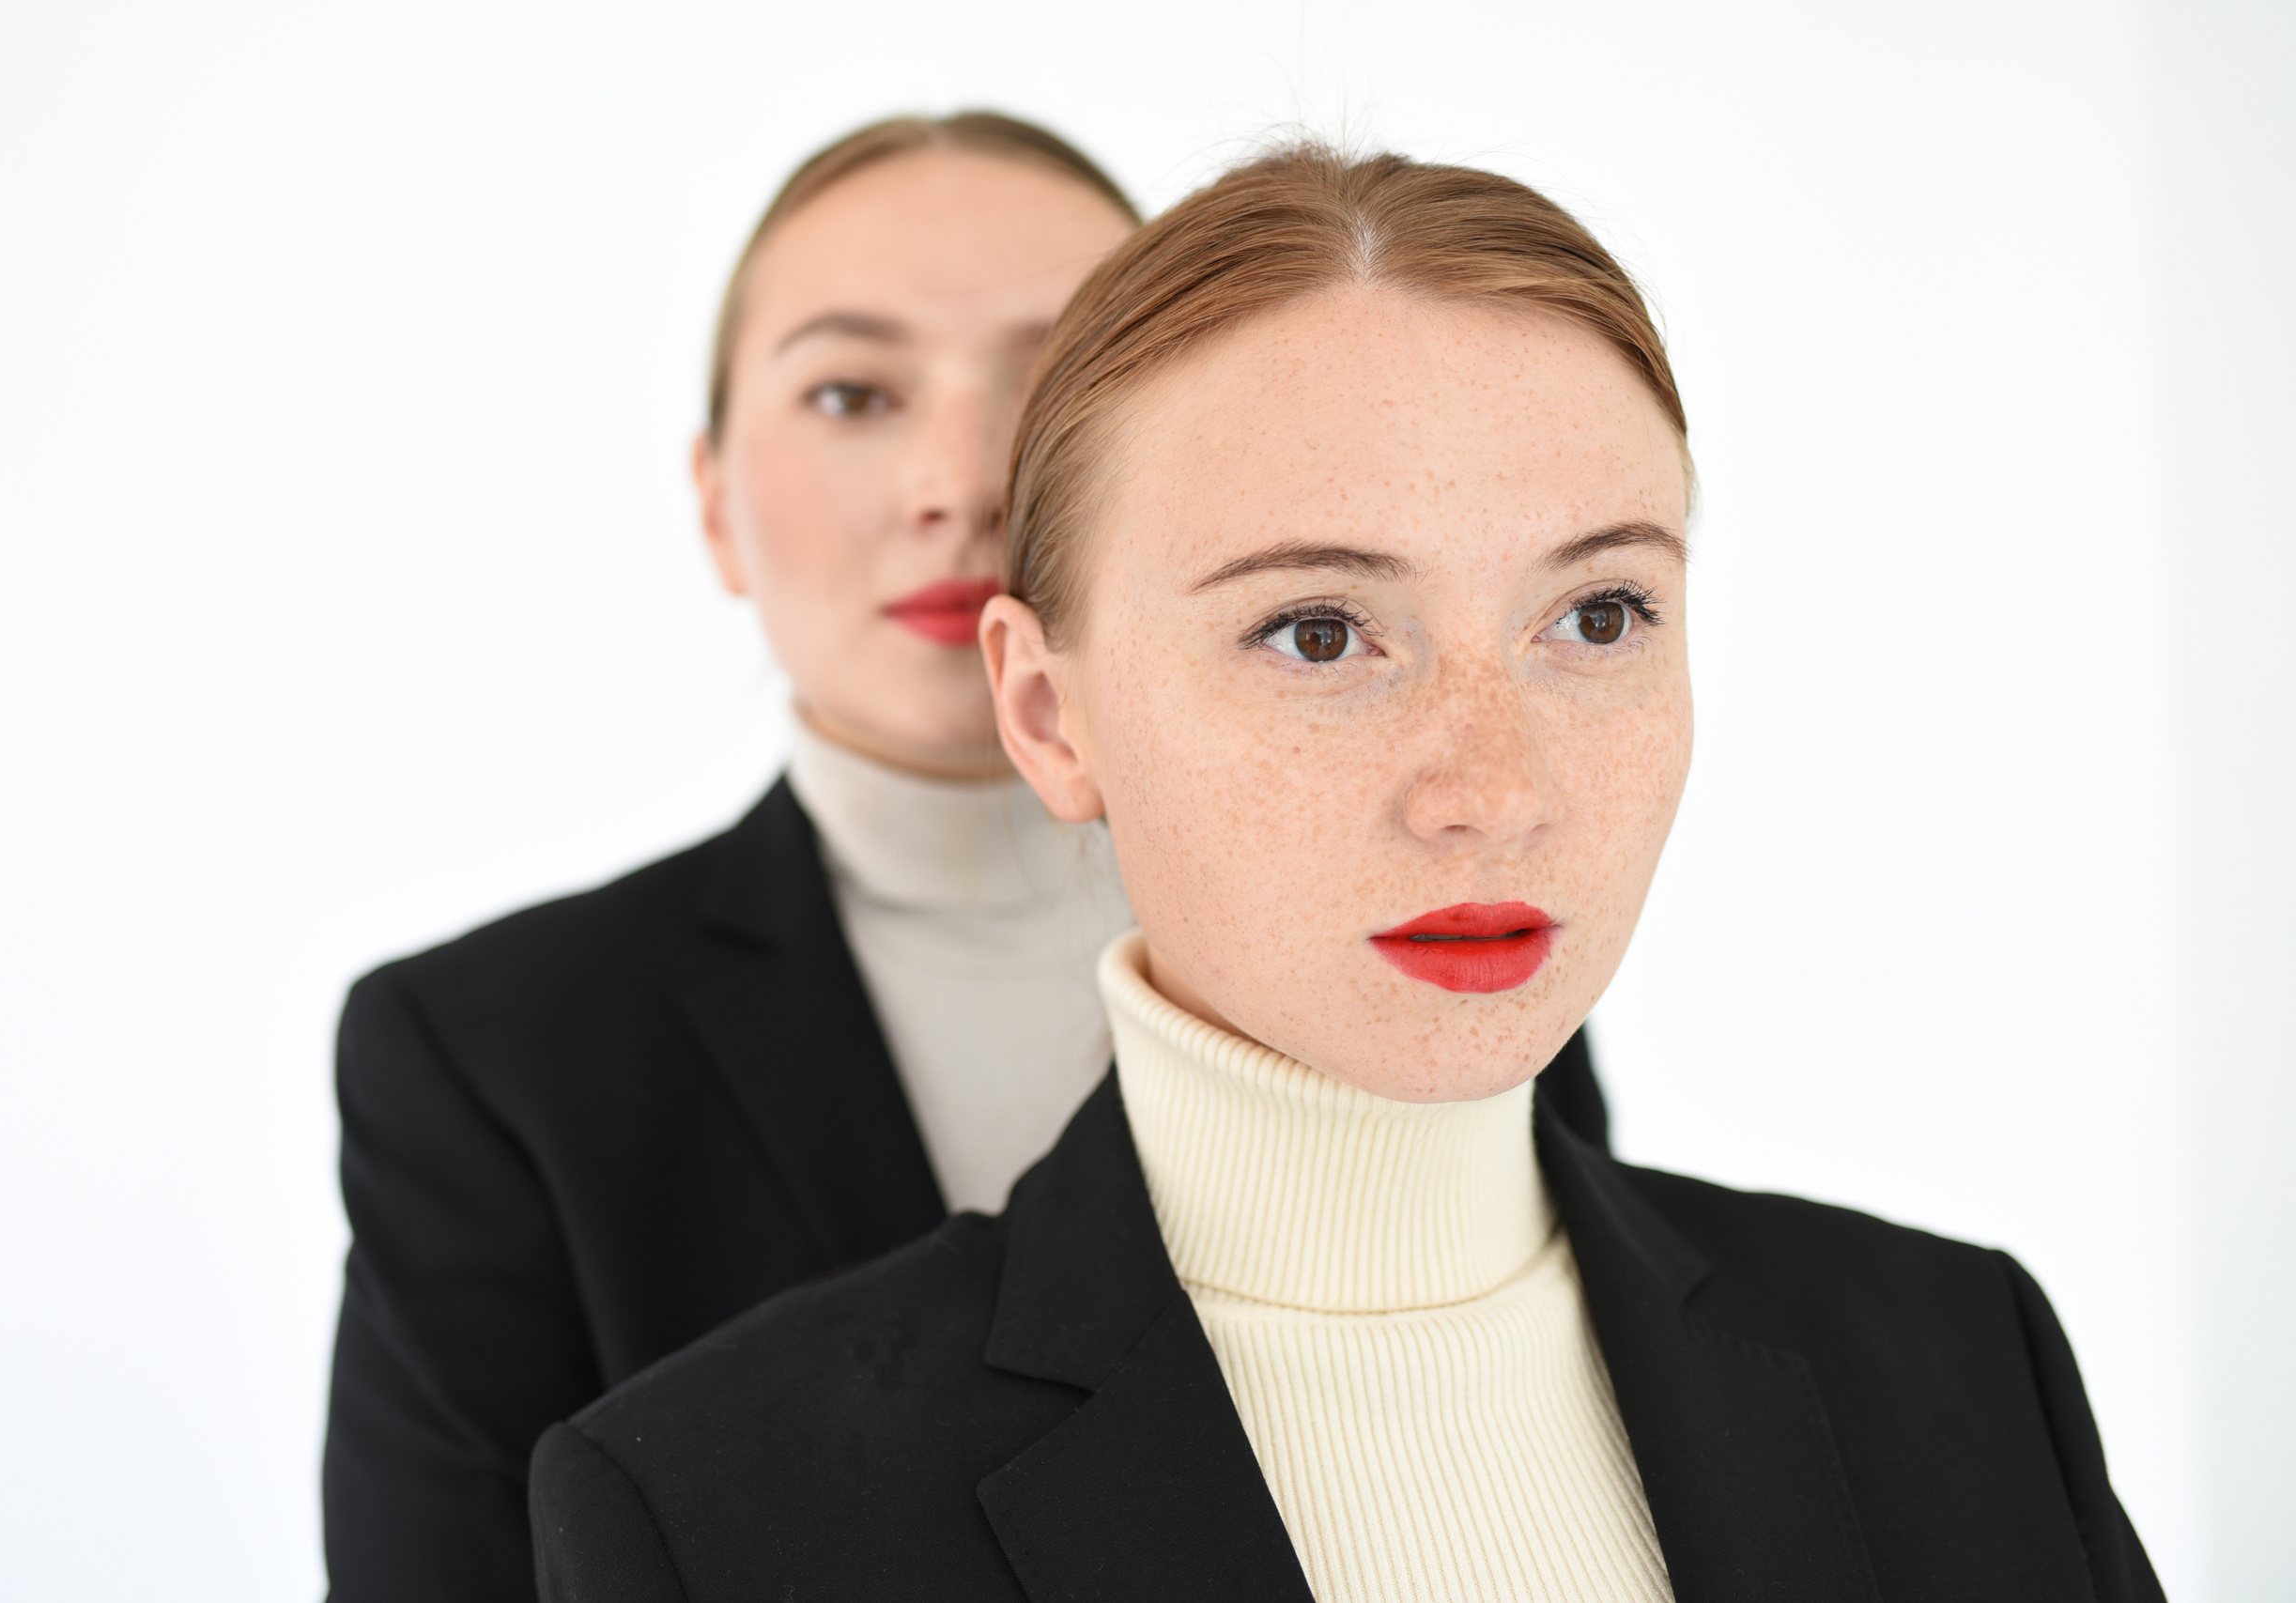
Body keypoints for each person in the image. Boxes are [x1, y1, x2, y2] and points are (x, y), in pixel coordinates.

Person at [526, 146, 2163, 1601]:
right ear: (1046, 709)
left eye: (1598, 616)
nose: (1496, 790)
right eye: (1318, 633)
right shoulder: (720, 1509)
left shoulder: (1961, 1359)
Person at [321, 111, 1626, 1601]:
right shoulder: (497, 1049)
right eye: (852, 392)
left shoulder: (1435, 920)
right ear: (713, 505)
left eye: (1054, 371)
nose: (964, 477)